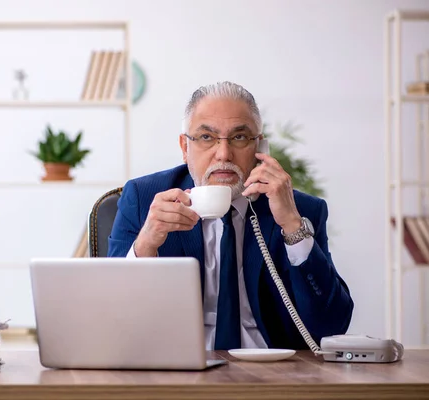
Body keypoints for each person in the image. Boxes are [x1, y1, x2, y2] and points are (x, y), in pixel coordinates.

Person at [107, 81, 353, 351]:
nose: (223, 154)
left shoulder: (300, 210)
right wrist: (146, 245)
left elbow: (332, 325)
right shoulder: (144, 198)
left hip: (272, 373)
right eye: (206, 137)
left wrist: (292, 226)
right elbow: (110, 315)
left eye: (239, 137)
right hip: (175, 366)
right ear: (184, 147)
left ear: (260, 147)